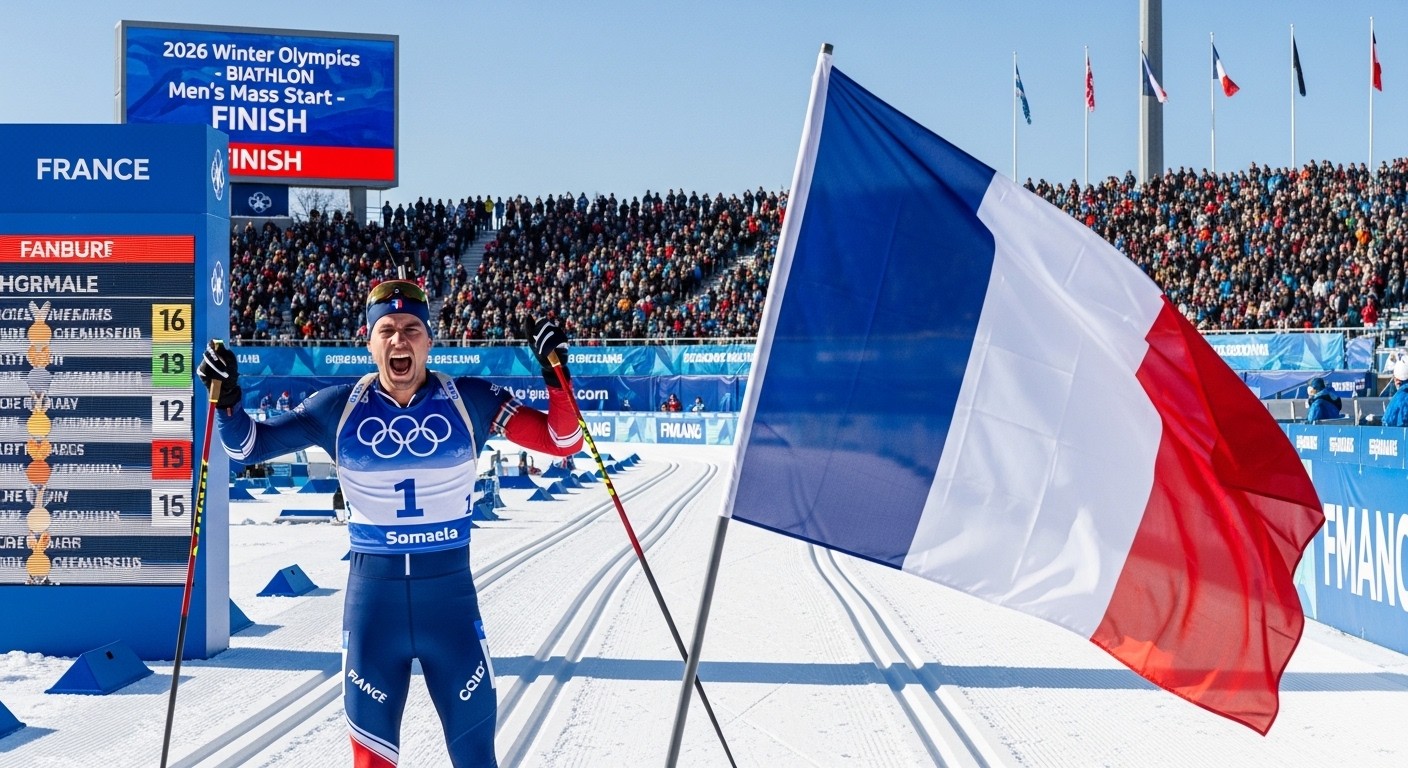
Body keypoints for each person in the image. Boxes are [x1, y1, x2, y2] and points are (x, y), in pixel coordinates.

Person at [197, 281, 583, 767]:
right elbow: (247, 448)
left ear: (429, 340)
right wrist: (229, 401)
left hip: (451, 611)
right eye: (387, 330)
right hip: (373, 614)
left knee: (476, 758)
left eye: (411, 330)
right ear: (370, 341)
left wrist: (557, 374)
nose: (399, 340)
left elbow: (563, 441)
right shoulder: (338, 406)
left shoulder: (471, 400)